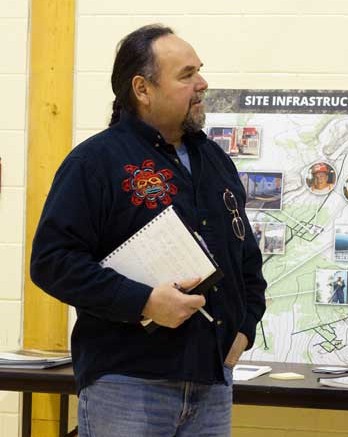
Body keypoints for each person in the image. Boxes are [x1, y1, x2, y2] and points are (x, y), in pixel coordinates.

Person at [30, 24, 267, 436]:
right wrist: (143, 302)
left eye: (200, 71)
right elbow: (52, 262)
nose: (202, 83)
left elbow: (246, 257)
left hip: (212, 385)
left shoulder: (215, 160)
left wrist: (245, 328)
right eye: (186, 74)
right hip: (127, 384)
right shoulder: (95, 162)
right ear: (143, 89)